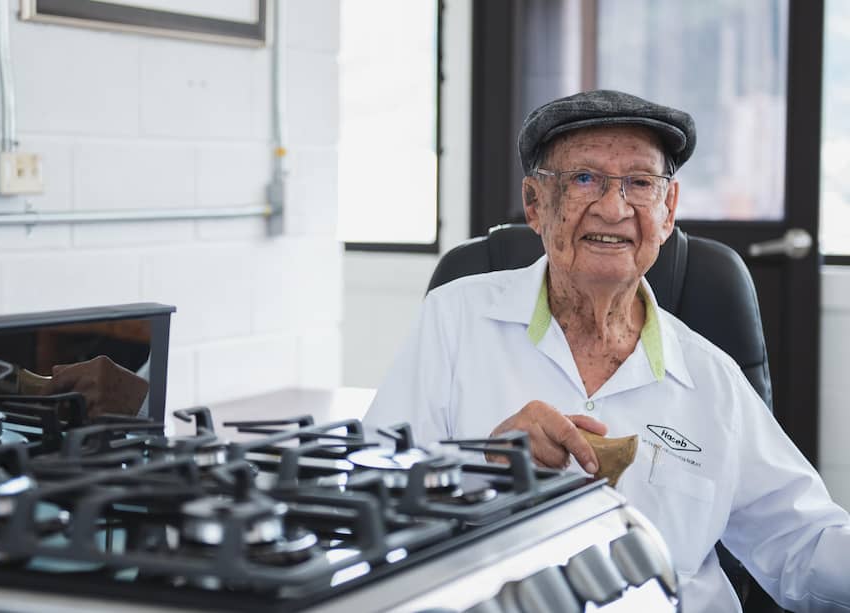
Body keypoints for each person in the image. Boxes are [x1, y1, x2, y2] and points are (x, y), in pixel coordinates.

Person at [364, 90, 850, 612]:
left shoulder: (713, 378)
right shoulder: (455, 320)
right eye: (583, 179)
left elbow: (801, 544)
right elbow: (369, 493)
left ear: (668, 211)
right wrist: (488, 465)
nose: (614, 208)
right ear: (535, 204)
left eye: (640, 183)